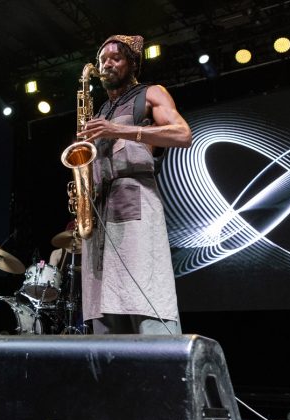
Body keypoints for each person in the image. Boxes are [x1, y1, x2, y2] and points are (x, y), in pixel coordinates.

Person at [75, 34, 192, 335]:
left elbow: (182, 134)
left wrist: (120, 131)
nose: (107, 64)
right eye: (102, 59)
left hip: (135, 204)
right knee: (102, 307)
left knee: (145, 294)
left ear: (132, 62)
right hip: (99, 212)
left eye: (115, 57)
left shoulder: (151, 93)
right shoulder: (99, 111)